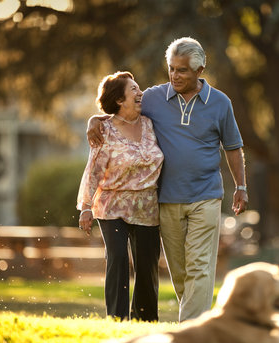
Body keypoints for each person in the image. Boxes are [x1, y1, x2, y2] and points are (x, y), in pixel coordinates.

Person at [87, 37, 248, 322]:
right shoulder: (154, 98)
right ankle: (194, 318)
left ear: (199, 70)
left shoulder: (220, 103)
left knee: (200, 266)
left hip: (206, 195)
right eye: (172, 68)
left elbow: (233, 147)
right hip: (166, 200)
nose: (175, 75)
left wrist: (241, 186)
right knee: (181, 270)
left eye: (182, 70)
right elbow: (121, 108)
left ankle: (190, 329)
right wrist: (95, 120)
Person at [77, 71, 164, 321]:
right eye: (134, 90)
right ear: (119, 100)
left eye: (139, 88)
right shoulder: (103, 130)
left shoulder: (150, 123)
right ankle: (117, 318)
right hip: (111, 204)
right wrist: (85, 207)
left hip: (147, 206)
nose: (140, 93)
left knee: (147, 266)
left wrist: (94, 116)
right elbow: (93, 171)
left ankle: (145, 320)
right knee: (117, 258)